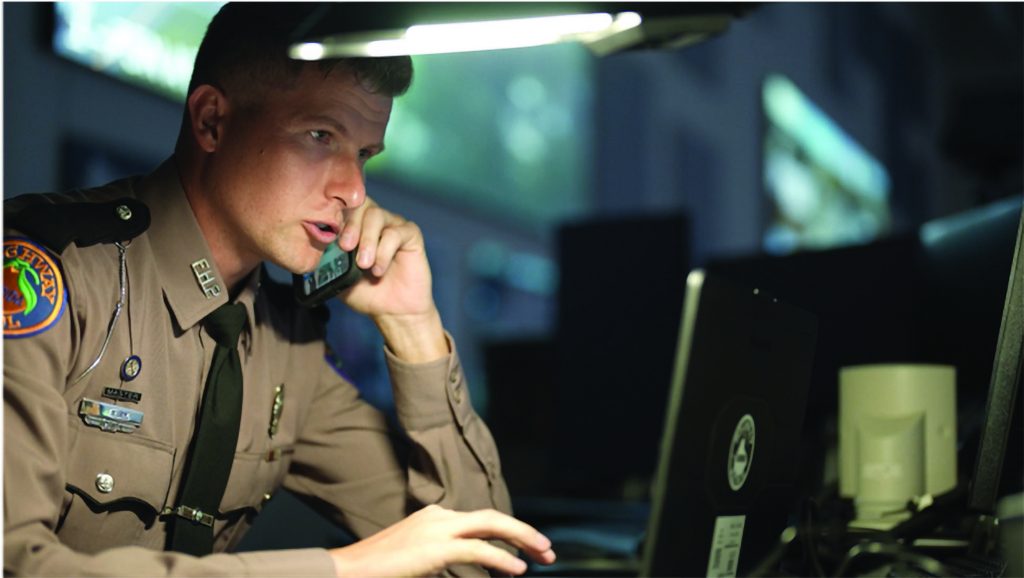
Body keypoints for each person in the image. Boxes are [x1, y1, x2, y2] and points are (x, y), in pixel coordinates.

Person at [3, 3, 556, 576]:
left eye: (364, 155)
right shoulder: (43, 275)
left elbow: (485, 561)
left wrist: (413, 327)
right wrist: (342, 568)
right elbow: (16, 563)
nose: (353, 190)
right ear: (213, 121)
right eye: (320, 135)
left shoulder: (288, 345)